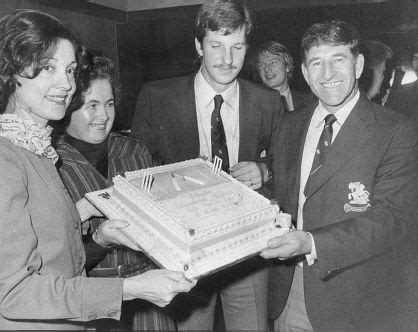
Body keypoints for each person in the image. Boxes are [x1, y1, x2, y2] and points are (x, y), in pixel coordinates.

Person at [0, 9, 195, 330]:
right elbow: (14, 292)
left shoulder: (32, 149)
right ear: (9, 73)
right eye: (47, 67)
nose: (66, 84)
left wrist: (83, 216)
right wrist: (131, 288)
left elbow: (53, 254)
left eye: (70, 70)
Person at [130, 1, 284, 330]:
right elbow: (136, 176)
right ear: (199, 45)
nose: (227, 60)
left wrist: (264, 171)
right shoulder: (157, 97)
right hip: (185, 255)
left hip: (249, 252)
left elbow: (287, 165)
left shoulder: (269, 102)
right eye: (216, 46)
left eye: (237, 47)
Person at [261, 20, 418, 330]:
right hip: (290, 293)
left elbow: (390, 219)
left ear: (358, 65)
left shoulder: (397, 131)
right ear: (305, 72)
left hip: (358, 301)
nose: (328, 73)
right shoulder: (289, 125)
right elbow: (279, 193)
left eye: (339, 60)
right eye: (317, 63)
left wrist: (310, 243)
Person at [55, 54, 176, 330]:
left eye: (109, 104)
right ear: (68, 107)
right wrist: (100, 239)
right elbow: (55, 264)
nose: (104, 116)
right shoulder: (52, 164)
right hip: (91, 304)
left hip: (149, 297)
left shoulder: (135, 151)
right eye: (92, 106)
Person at [255, 40, 315, 111]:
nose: (267, 69)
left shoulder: (310, 103)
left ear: (287, 67)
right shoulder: (253, 106)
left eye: (273, 62)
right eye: (261, 65)